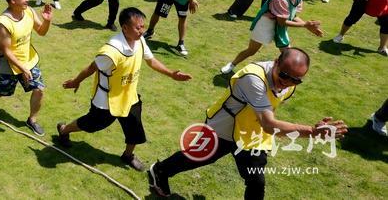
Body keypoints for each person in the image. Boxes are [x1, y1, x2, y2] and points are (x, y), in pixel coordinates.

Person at [149, 48, 348, 199]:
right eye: (284, 75)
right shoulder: (253, 78)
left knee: (256, 180)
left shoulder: (289, 83)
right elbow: (269, 124)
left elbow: (270, 112)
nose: (286, 83)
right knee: (199, 157)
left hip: (252, 133)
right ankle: (159, 170)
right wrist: (312, 132)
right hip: (225, 126)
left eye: (295, 80)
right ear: (276, 62)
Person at [57, 7, 192, 171]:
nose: (142, 31)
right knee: (92, 124)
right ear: (125, 27)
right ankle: (64, 129)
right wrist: (76, 81)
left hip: (129, 96)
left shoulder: (139, 40)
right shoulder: (111, 51)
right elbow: (91, 68)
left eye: (143, 26)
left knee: (134, 127)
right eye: (137, 27)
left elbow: (151, 60)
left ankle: (128, 155)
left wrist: (171, 74)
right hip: (107, 99)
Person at [0, 0, 53, 136]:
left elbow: (41, 32)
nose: (27, 0)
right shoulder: (3, 23)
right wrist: (22, 69)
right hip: (8, 65)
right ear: (13, 0)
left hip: (28, 61)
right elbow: (6, 51)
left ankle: (32, 120)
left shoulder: (29, 12)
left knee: (39, 89)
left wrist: (47, 20)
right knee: (0, 92)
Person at [221, 0, 322, 74]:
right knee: (252, 50)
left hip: (280, 26)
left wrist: (307, 26)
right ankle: (232, 64)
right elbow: (282, 22)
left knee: (287, 54)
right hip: (266, 23)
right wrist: (305, 25)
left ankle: (280, 76)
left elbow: (292, 15)